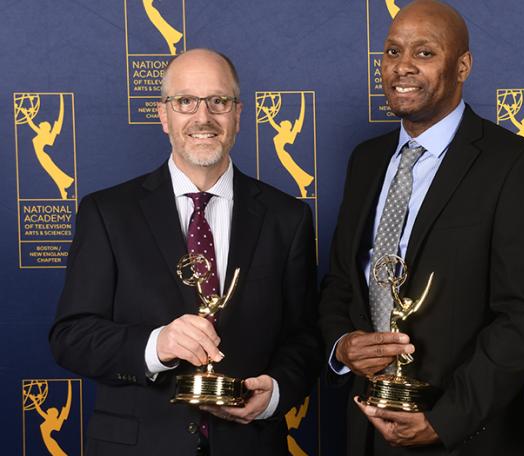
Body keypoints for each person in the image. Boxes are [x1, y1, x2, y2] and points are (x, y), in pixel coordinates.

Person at [49, 48, 322, 455]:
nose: (203, 117)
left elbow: (305, 337)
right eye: (185, 102)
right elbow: (71, 337)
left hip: (250, 444)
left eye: (218, 101)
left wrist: (277, 391)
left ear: (238, 114)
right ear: (164, 115)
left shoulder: (288, 217)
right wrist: (156, 344)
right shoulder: (108, 213)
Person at [318, 1, 524, 454]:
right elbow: (340, 284)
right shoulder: (366, 161)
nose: (402, 67)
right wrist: (343, 344)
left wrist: (444, 420)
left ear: (462, 65)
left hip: (465, 434)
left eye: (424, 53)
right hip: (365, 429)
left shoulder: (515, 166)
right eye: (392, 52)